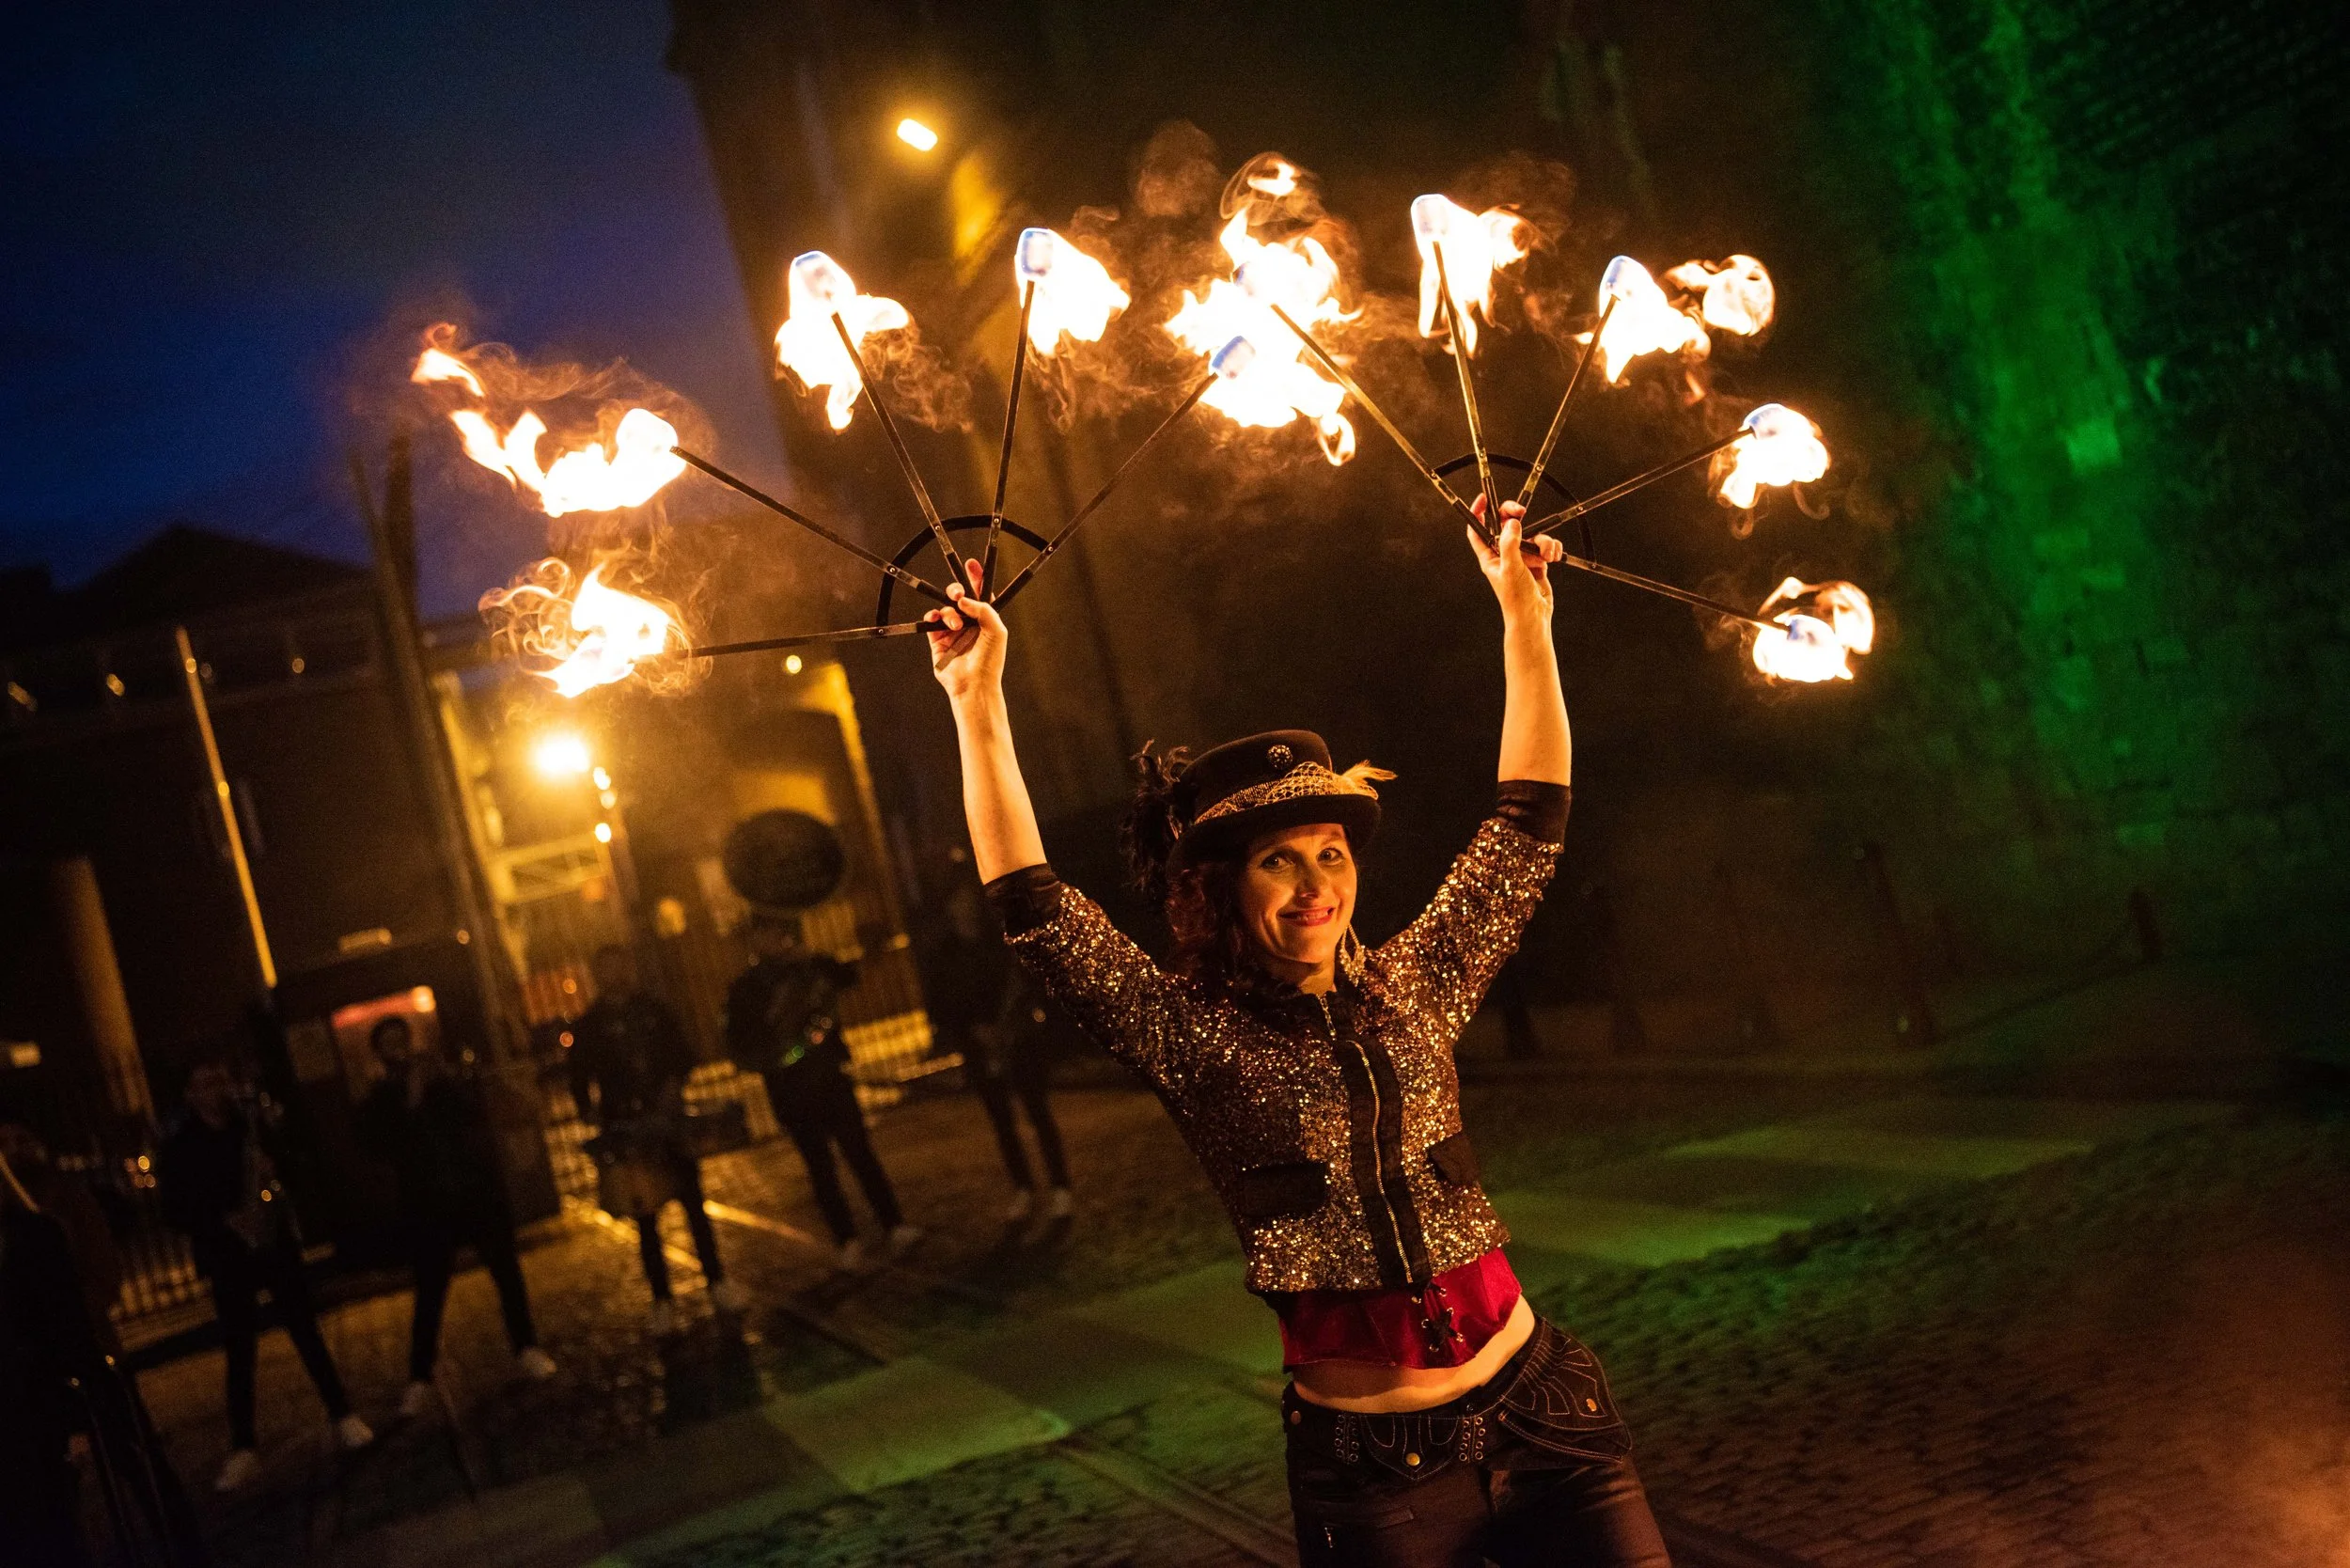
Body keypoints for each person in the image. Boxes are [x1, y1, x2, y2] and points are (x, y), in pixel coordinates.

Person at [920, 499, 1670, 1566]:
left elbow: (1527, 822)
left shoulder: (1417, 982)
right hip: (1373, 1472)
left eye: (1330, 850)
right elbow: (1033, 908)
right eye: (1279, 859)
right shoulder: (1185, 1034)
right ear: (1217, 891)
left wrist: (1523, 618)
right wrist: (977, 703)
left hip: (1548, 1414)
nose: (1316, 883)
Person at [158, 1054, 371, 1491]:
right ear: (190, 1094)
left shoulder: (253, 1127)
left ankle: (342, 1414)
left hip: (273, 1245)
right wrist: (222, 1219)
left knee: (305, 1331)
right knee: (239, 1350)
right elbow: (174, 1209)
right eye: (205, 1083)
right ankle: (243, 1448)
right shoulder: (180, 1147)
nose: (216, 1090)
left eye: (220, 1080)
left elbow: (296, 1168)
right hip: (227, 1252)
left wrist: (278, 1169)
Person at [356, 1015, 556, 1419]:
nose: (398, 1048)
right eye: (389, 1043)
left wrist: (444, 1080)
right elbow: (380, 1147)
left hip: (473, 1194)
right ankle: (419, 1378)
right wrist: (410, 1102)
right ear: (379, 1052)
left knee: (505, 1270)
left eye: (402, 1040)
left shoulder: (440, 1081)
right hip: (428, 1204)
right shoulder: (379, 1099)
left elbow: (474, 1116)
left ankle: (527, 1347)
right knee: (431, 1290)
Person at [725, 915, 921, 1267]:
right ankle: (846, 1239)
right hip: (789, 1088)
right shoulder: (745, 989)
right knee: (820, 1167)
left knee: (860, 1153)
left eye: (774, 932)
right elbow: (741, 1046)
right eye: (762, 935)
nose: (771, 941)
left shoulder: (810, 966)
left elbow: (850, 975)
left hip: (829, 1077)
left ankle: (894, 1223)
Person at [569, 945, 744, 1333]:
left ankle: (717, 1281)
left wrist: (672, 1086)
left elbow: (682, 1054)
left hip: (667, 1120)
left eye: (620, 965)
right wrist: (590, 1109)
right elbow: (578, 1074)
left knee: (693, 1203)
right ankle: (662, 1299)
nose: (615, 974)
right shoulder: (590, 1025)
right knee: (645, 1214)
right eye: (607, 968)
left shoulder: (654, 1010)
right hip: (627, 1125)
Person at [928, 879, 1073, 1222]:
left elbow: (1026, 983)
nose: (963, 908)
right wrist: (971, 1029)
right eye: (956, 902)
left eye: (966, 901)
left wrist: (1013, 1020)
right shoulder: (945, 954)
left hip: (1017, 1038)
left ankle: (1060, 1187)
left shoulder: (998, 939)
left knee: (1039, 1114)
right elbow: (941, 1003)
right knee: (1003, 1125)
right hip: (979, 1046)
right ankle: (1023, 1189)